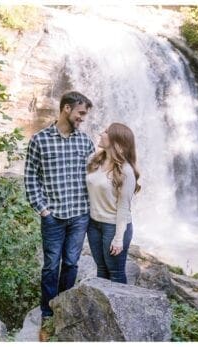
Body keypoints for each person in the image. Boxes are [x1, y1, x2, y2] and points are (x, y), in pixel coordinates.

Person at [24, 91, 95, 341]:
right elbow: (31, 177)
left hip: (79, 214)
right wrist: (42, 208)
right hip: (53, 216)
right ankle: (47, 313)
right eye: (81, 113)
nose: (83, 118)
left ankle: (63, 309)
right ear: (66, 109)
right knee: (51, 266)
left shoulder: (85, 142)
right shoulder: (40, 140)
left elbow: (95, 176)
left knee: (72, 263)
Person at [85, 123, 141, 284]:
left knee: (115, 273)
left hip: (113, 226)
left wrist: (118, 239)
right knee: (101, 270)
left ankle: (120, 308)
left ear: (116, 141)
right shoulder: (95, 161)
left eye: (106, 132)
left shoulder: (126, 171)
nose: (101, 133)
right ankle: (104, 309)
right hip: (94, 224)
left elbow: (124, 207)